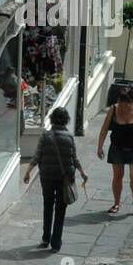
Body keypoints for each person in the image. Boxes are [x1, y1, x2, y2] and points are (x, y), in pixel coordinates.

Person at [23, 106, 88, 252]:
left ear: (52, 119)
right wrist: (83, 173)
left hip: (47, 176)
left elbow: (36, 157)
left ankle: (46, 238)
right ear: (66, 121)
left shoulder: (45, 136)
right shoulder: (69, 137)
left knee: (48, 206)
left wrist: (27, 172)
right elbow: (74, 159)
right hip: (65, 177)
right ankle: (56, 242)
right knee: (60, 209)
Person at [97, 84, 133, 214]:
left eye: (126, 103)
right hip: (117, 147)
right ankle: (116, 203)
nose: (123, 106)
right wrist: (100, 147)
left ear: (131, 101)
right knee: (118, 176)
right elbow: (104, 129)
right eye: (120, 102)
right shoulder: (113, 110)